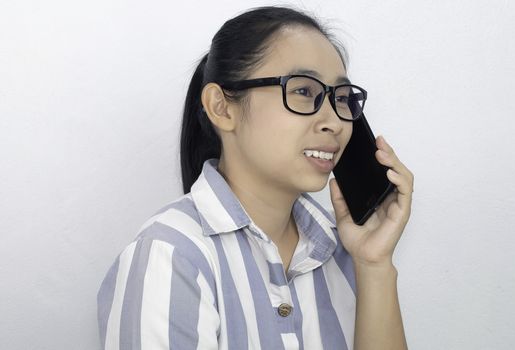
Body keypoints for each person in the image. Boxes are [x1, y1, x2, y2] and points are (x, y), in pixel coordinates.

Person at [97, 5, 414, 350]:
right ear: (222, 106)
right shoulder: (171, 256)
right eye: (304, 91)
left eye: (340, 98)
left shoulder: (343, 251)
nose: (334, 122)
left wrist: (374, 264)